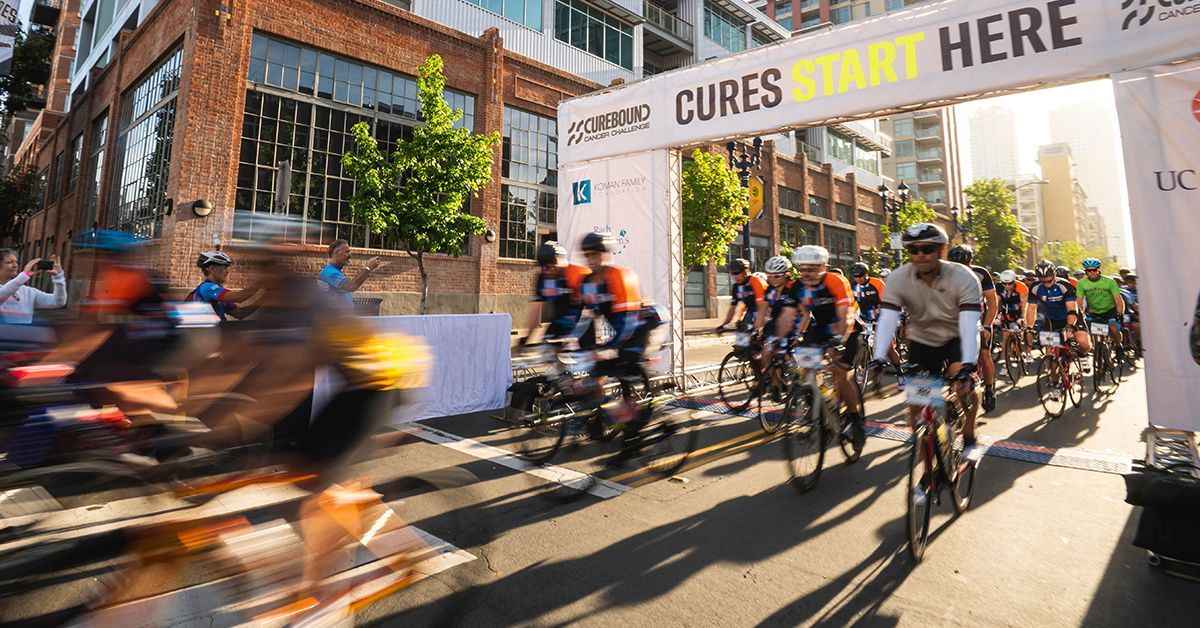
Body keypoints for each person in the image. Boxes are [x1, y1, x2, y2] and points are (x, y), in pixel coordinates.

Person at [869, 223, 984, 497]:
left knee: (962, 380)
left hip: (957, 336)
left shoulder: (963, 277)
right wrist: (877, 357)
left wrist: (968, 365)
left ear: (941, 250)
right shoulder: (898, 278)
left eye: (927, 249)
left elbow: (969, 325)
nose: (920, 255)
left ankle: (968, 433)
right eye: (914, 250)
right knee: (917, 410)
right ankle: (929, 471)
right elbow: (887, 320)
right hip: (922, 341)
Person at [791, 245, 864, 448]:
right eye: (802, 269)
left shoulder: (835, 280)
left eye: (812, 269)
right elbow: (804, 314)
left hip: (846, 330)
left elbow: (846, 315)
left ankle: (855, 418)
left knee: (840, 376)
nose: (807, 274)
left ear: (823, 266)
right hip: (821, 328)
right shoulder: (800, 286)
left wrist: (838, 340)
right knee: (805, 367)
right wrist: (794, 336)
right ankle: (817, 413)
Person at [948, 244, 999, 412]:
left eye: (965, 264)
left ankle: (990, 389)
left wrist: (987, 327)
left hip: (979, 318)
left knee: (984, 354)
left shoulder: (981, 274)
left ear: (971, 262)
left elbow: (992, 302)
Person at [517, 241, 590, 347]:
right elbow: (535, 310)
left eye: (547, 267)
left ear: (557, 262)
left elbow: (588, 312)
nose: (545, 272)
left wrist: (574, 336)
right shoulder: (543, 279)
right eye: (542, 268)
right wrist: (526, 338)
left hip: (580, 321)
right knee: (547, 349)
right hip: (559, 321)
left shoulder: (578, 274)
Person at [1027, 261, 1090, 363]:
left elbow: (1072, 308)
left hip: (1070, 316)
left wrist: (1069, 326)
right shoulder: (1035, 287)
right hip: (1051, 319)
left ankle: (1082, 354)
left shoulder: (1064, 285)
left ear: (1055, 275)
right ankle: (1054, 377)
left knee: (1083, 342)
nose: (1047, 284)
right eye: (1043, 282)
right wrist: (1029, 326)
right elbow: (1031, 309)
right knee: (1050, 355)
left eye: (1049, 281)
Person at [189, 251, 263, 322]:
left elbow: (240, 314)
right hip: (208, 333)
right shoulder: (207, 287)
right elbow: (239, 298)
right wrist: (260, 282)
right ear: (212, 269)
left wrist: (265, 298)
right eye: (224, 268)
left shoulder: (218, 294)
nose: (227, 272)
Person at [850, 262, 900, 366]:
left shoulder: (877, 283)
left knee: (889, 349)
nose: (858, 279)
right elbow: (854, 305)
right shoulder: (855, 288)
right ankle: (864, 365)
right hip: (866, 319)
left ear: (866, 274)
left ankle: (900, 374)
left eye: (860, 276)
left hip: (881, 318)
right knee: (860, 341)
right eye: (855, 277)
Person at [0, 249, 67, 323]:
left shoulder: (28, 291)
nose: (15, 265)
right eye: (9, 262)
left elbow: (58, 302)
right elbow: (2, 294)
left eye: (16, 262)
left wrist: (58, 277)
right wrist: (24, 275)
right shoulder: (16, 284)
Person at [1075, 258, 1125, 346]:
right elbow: (1079, 300)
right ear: (1086, 271)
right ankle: (1098, 351)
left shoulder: (1110, 281)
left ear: (1099, 269)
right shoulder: (1081, 283)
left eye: (1094, 270)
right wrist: (1080, 313)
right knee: (1095, 333)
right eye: (1089, 270)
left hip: (1110, 310)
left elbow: (1118, 300)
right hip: (1093, 311)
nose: (1092, 272)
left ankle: (1118, 346)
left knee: (1113, 329)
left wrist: (1120, 313)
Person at [318, 239, 381, 309]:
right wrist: (368, 268)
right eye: (347, 252)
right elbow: (350, 286)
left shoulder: (336, 271)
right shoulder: (329, 272)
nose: (350, 255)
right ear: (336, 253)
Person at [717, 257, 768, 334]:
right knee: (742, 330)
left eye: (737, 273)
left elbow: (762, 308)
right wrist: (724, 324)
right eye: (733, 273)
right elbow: (733, 308)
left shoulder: (755, 281)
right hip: (751, 311)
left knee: (762, 333)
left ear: (745, 271)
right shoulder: (736, 287)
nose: (735, 276)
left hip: (766, 309)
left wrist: (757, 327)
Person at [997, 269, 1031, 352]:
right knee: (1005, 336)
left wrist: (1023, 317)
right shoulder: (998, 287)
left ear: (1014, 281)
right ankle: (1006, 360)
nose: (1007, 286)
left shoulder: (1021, 286)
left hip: (1019, 311)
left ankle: (1024, 350)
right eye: (1004, 283)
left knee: (1024, 331)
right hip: (1006, 311)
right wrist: (996, 316)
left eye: (1010, 283)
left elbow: (1024, 304)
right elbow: (996, 303)